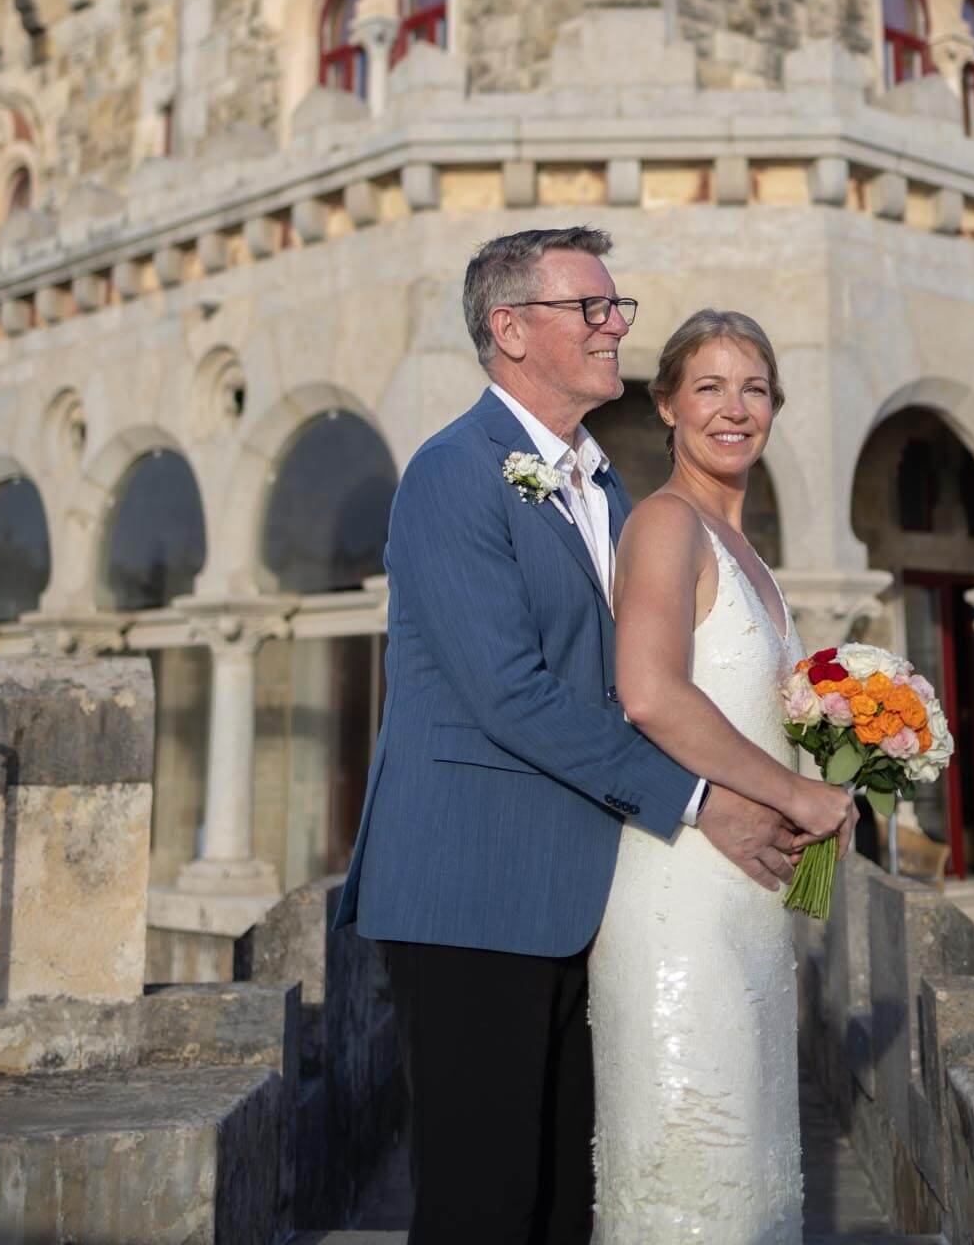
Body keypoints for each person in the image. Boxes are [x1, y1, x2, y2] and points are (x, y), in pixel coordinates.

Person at [332, 228, 852, 1245]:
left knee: (567, 1200)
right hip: (470, 887)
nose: (615, 325)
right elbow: (510, 694)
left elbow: (626, 680)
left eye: (615, 308)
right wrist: (704, 802)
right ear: (511, 328)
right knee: (482, 1203)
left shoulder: (601, 484)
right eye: (591, 308)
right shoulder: (451, 472)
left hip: (586, 888)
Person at [589, 308, 826, 1244]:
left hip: (754, 911)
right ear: (666, 406)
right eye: (709, 387)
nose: (735, 409)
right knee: (692, 1174)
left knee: (753, 1179)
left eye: (755, 388)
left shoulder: (751, 555)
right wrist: (799, 789)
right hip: (677, 904)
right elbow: (648, 693)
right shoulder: (663, 524)